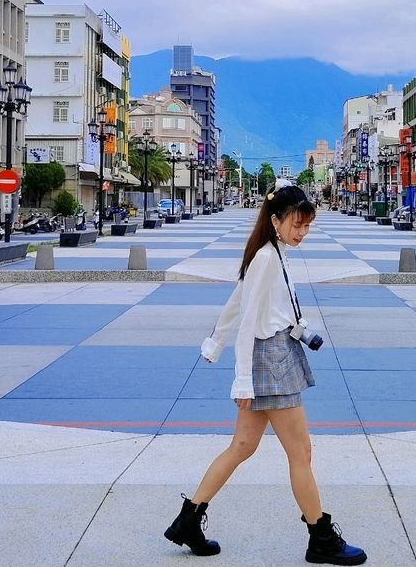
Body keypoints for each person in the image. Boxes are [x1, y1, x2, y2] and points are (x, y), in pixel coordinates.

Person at [164, 180, 367, 565]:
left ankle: (188, 520)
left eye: (307, 225)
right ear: (276, 220)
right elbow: (247, 321)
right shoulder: (266, 259)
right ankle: (321, 538)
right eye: (296, 224)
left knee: (242, 446)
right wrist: (240, 378)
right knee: (301, 451)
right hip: (270, 360)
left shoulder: (273, 252)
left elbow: (236, 303)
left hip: (274, 353)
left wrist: (214, 342)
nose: (302, 232)